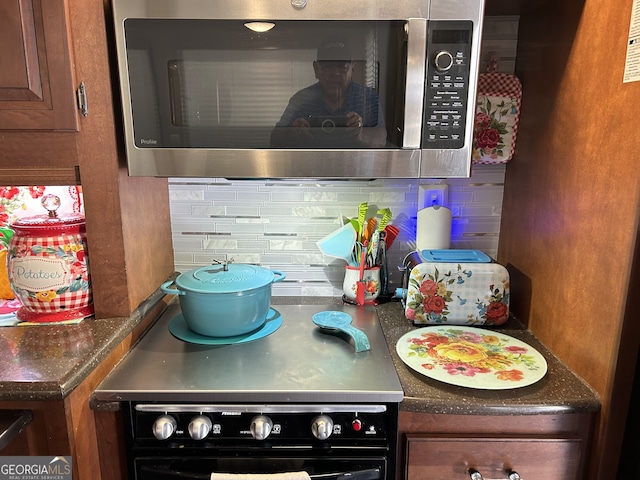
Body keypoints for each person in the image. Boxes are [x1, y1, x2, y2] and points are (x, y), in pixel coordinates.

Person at [270, 38, 387, 148]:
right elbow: (274, 139)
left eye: (342, 66)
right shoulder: (301, 99)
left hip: (355, 166)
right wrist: (291, 133)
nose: (335, 73)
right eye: (327, 66)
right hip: (309, 166)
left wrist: (360, 135)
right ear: (316, 69)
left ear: (353, 69)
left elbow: (381, 139)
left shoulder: (368, 98)